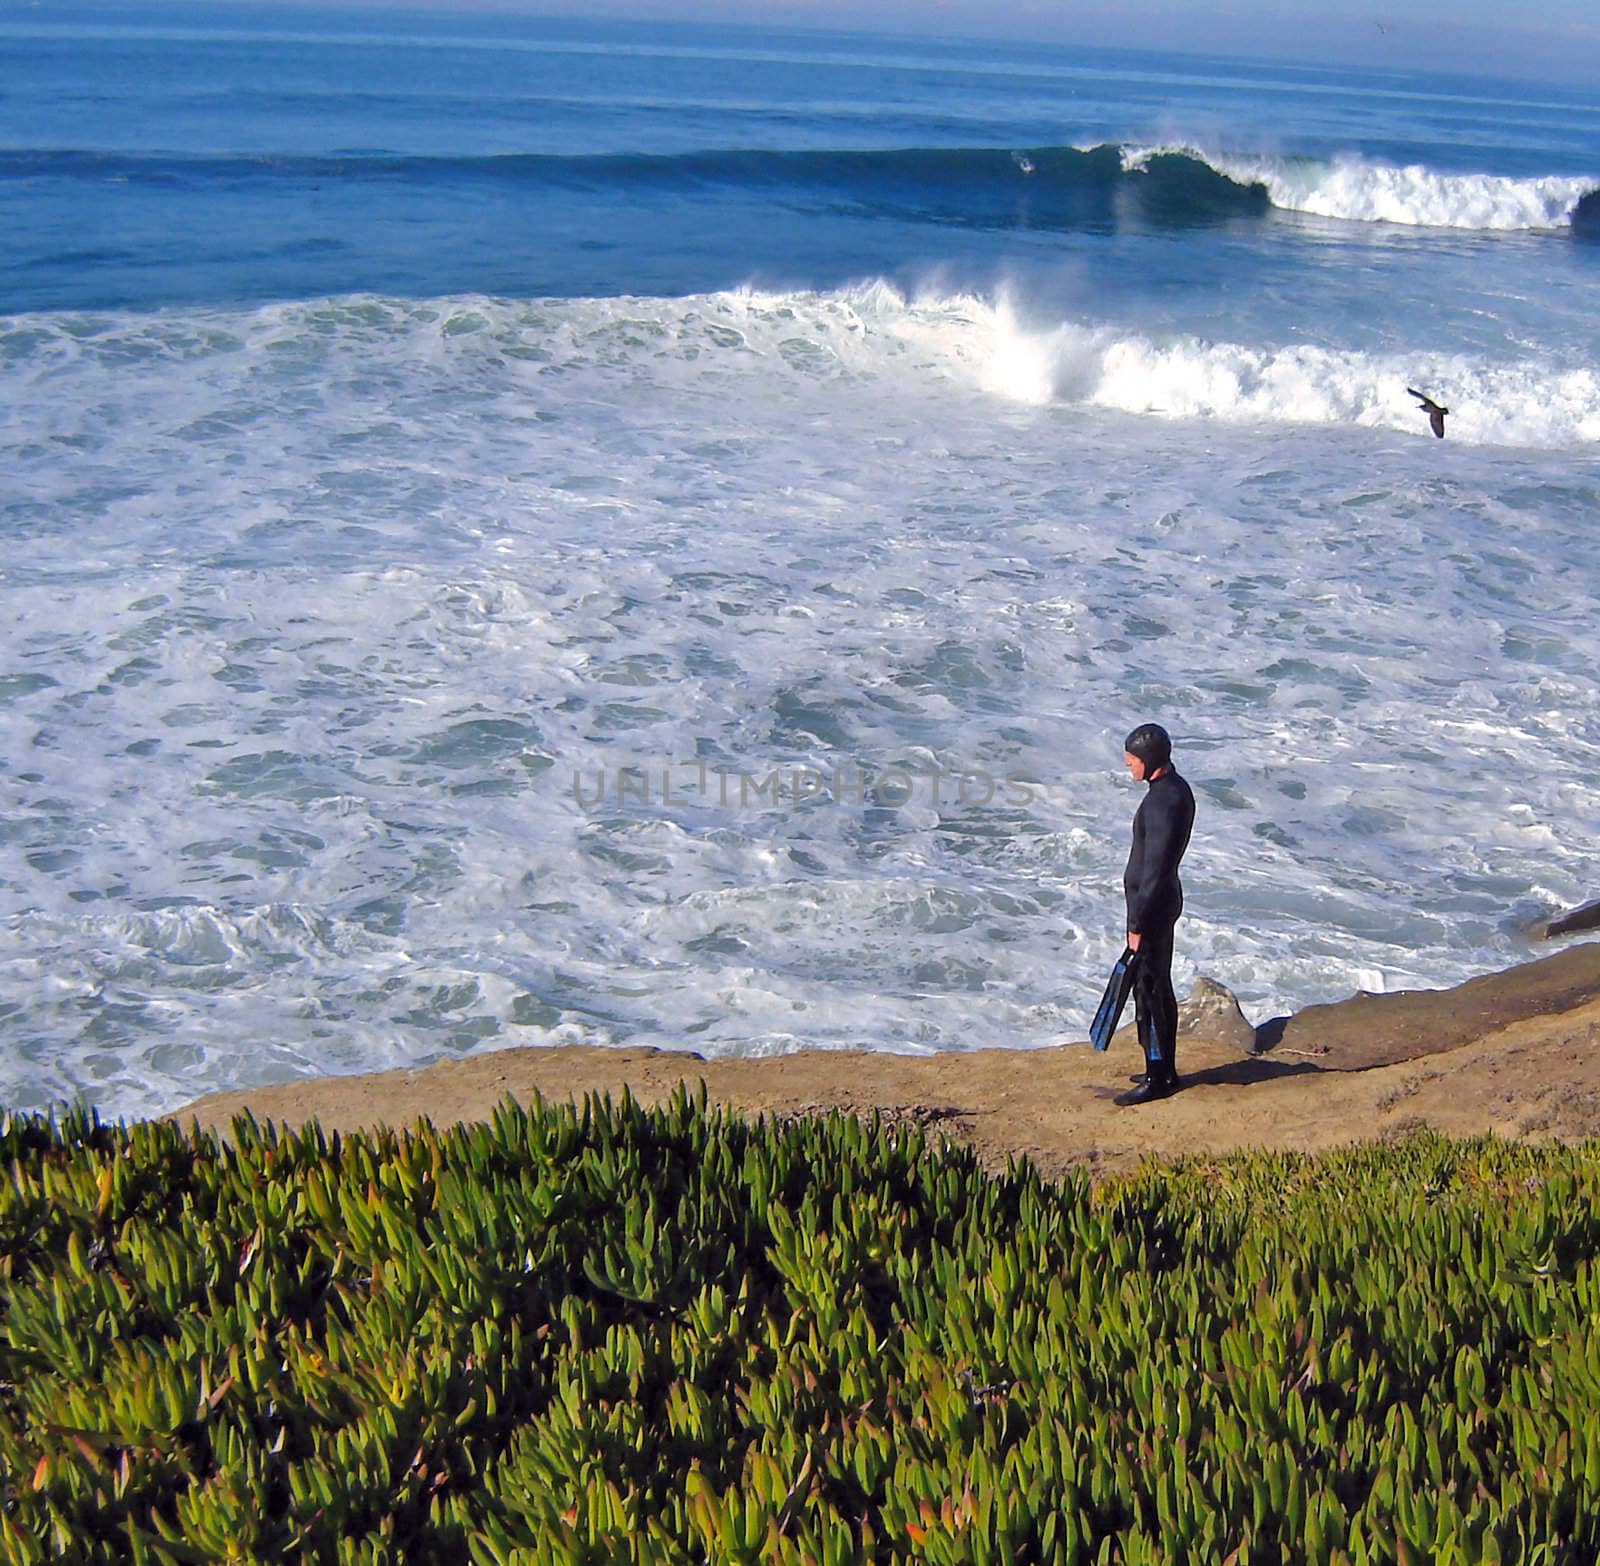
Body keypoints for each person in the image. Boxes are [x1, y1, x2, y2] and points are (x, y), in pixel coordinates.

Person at [1114, 723, 1195, 1106]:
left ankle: (1159, 1076)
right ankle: (1159, 1066)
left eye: (1132, 760)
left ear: (1149, 761)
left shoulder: (1165, 801)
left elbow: (1158, 870)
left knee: (1151, 990)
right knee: (1154, 985)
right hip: (1156, 905)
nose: (1128, 765)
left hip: (1153, 908)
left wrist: (1137, 925)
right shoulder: (1170, 790)